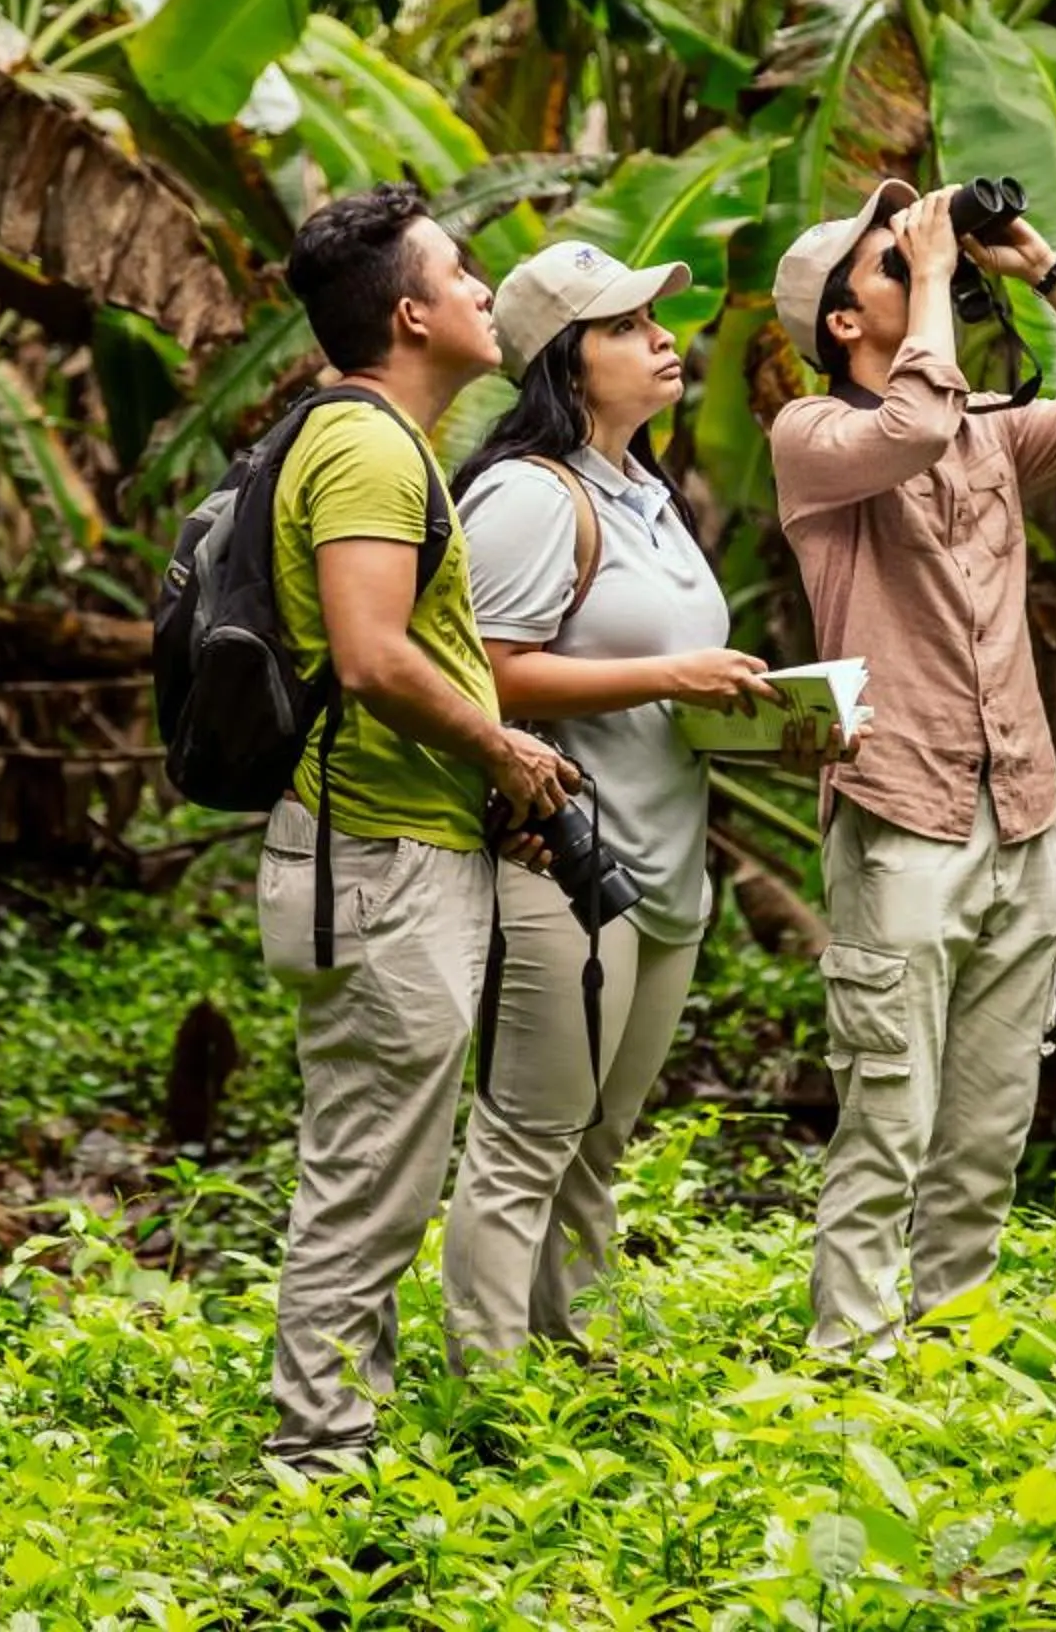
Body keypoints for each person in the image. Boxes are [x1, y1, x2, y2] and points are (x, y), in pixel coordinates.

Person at [768, 180, 1056, 1352]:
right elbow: (904, 428)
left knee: (990, 1119)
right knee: (889, 1117)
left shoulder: (991, 435)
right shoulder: (811, 438)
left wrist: (1043, 268)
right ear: (842, 324)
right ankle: (851, 1363)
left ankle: (951, 1355)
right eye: (892, 266)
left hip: (1022, 812)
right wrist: (938, 259)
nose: (920, 269)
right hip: (903, 813)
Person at [437, 241, 851, 1363]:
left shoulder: (650, 497)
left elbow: (659, 674)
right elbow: (481, 674)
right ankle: (489, 1388)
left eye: (653, 320)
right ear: (566, 365)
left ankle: (583, 1363)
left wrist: (756, 712)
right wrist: (671, 677)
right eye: (625, 325)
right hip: (562, 865)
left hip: (667, 866)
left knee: (600, 1139)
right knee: (529, 1135)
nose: (664, 337)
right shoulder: (530, 495)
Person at [257, 183, 578, 1472]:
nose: (486, 290)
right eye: (463, 273)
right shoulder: (372, 450)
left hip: (389, 853)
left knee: (375, 1162)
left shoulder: (374, 443)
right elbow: (374, 654)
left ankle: (342, 1433)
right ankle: (321, 1460)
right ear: (410, 312)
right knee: (368, 1174)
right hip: (377, 868)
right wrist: (502, 743)